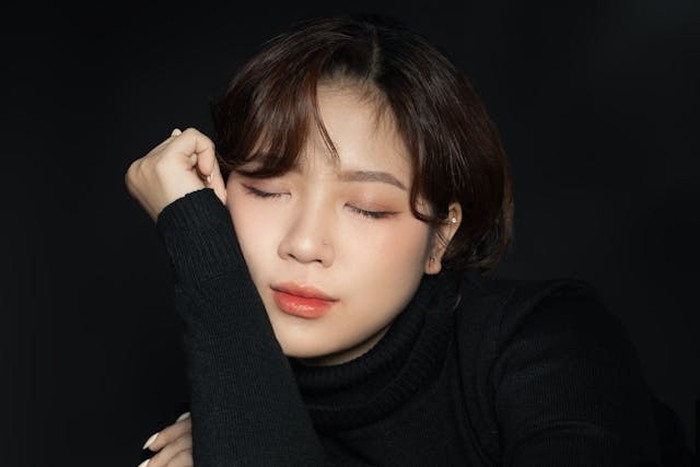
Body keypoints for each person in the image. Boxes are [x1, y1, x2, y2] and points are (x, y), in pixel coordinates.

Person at [125, 14, 690, 467]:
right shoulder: (224, 392)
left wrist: (237, 438)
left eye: (367, 208)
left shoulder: (550, 342)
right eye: (268, 190)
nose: (305, 244)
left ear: (441, 237)